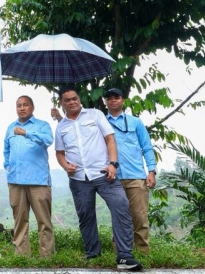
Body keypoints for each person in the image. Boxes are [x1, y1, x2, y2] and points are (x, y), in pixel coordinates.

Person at [54, 86, 142, 271]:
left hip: (104, 173)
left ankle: (125, 257)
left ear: (79, 99)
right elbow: (60, 153)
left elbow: (110, 139)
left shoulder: (95, 115)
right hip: (78, 178)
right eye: (67, 100)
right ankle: (93, 255)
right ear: (61, 103)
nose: (72, 102)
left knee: (121, 206)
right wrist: (64, 165)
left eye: (74, 98)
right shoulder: (61, 126)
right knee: (85, 215)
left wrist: (113, 164)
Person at [104, 88, 156, 255]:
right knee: (118, 218)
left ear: (123, 100)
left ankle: (143, 254)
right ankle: (120, 255)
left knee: (140, 218)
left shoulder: (135, 122)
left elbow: (147, 147)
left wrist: (152, 171)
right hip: (113, 178)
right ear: (105, 102)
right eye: (109, 98)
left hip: (136, 177)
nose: (113, 100)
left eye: (117, 97)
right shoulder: (102, 123)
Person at [3, 95, 55, 258]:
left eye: (25, 105)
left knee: (44, 221)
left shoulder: (42, 125)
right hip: (16, 181)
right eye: (19, 105)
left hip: (38, 181)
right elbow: (6, 150)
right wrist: (8, 166)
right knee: (19, 221)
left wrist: (26, 133)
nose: (22, 108)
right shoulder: (11, 127)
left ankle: (46, 257)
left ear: (32, 107)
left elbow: (48, 140)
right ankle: (21, 256)